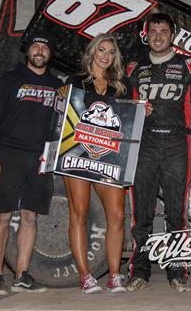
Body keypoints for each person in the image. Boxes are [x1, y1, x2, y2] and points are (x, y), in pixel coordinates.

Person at [125, 13, 191, 293]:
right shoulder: (133, 68)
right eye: (154, 31)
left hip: (176, 145)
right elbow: (122, 106)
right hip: (144, 145)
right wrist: (137, 111)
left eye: (164, 31)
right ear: (146, 35)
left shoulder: (188, 65)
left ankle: (177, 272)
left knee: (176, 213)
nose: (159, 36)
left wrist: (183, 125)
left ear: (172, 35)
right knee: (142, 215)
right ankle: (140, 272)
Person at [0, 31, 62, 295]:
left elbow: (58, 126)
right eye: (36, 46)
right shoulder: (9, 80)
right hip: (8, 155)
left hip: (39, 158)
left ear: (50, 54)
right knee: (3, 215)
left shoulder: (57, 85)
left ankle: (22, 275)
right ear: (28, 51)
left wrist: (51, 158)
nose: (40, 51)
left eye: (45, 47)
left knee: (30, 217)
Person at [63, 33, 138, 294]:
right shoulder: (75, 81)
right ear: (92, 53)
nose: (105, 56)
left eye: (110, 52)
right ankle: (85, 276)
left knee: (117, 216)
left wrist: (141, 112)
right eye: (101, 50)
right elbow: (65, 116)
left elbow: (128, 120)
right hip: (77, 154)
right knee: (79, 212)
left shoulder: (122, 85)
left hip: (111, 158)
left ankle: (115, 275)